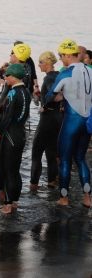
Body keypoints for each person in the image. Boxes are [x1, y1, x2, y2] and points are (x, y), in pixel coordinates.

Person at [45, 39, 92, 207]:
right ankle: (88, 198)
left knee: (65, 160)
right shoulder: (90, 70)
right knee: (80, 159)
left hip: (72, 121)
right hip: (87, 122)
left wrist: (59, 97)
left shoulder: (65, 73)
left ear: (66, 55)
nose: (61, 59)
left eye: (61, 55)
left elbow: (49, 96)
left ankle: (64, 198)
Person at [0, 64, 31, 214]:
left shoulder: (13, 93)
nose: (5, 78)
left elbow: (7, 117)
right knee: (15, 170)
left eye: (7, 76)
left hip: (10, 135)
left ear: (13, 77)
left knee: (7, 170)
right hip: (20, 134)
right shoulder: (26, 92)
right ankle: (14, 202)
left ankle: (7, 204)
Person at [29, 51, 61, 191]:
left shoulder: (49, 78)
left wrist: (45, 105)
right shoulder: (59, 76)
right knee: (52, 152)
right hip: (58, 120)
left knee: (36, 152)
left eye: (41, 62)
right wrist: (41, 96)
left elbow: (55, 96)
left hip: (47, 119)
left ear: (48, 64)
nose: (39, 65)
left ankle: (33, 185)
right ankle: (52, 182)